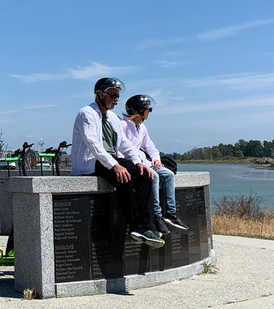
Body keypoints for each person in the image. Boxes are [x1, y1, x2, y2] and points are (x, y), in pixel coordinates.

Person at [70, 77, 164, 248]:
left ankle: (147, 226)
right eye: (113, 95)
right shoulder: (86, 113)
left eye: (118, 96)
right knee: (123, 177)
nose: (116, 99)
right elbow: (93, 144)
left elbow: (124, 143)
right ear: (100, 95)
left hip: (111, 158)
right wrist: (115, 165)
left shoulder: (113, 118)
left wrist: (137, 162)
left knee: (145, 175)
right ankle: (135, 226)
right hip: (91, 161)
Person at [122, 94, 189, 235]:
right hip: (132, 163)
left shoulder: (142, 127)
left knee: (168, 175)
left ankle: (171, 213)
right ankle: (157, 215)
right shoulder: (123, 126)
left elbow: (150, 146)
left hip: (144, 161)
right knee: (154, 176)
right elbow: (122, 149)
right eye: (148, 109)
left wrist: (156, 159)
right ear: (139, 110)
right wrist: (138, 162)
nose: (149, 111)